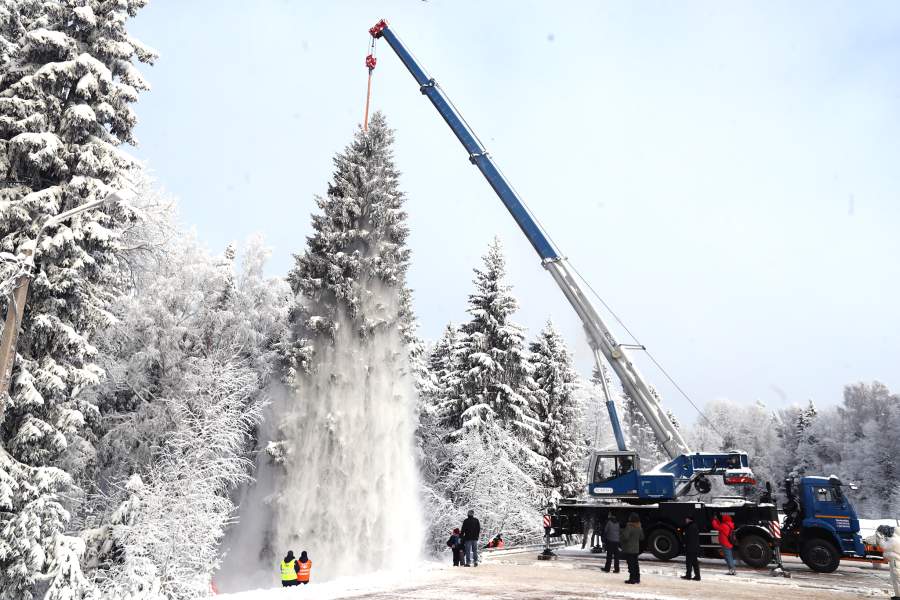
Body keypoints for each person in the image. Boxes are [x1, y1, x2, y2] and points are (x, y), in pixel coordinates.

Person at [619, 513, 644, 584]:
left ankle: (632, 579)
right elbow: (642, 537)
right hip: (636, 549)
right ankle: (637, 578)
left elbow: (625, 537)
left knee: (631, 564)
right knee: (636, 564)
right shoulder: (639, 526)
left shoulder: (629, 526)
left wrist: (621, 534)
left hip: (629, 549)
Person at [681, 515, 701, 581]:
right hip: (695, 547)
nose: (685, 520)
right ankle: (697, 576)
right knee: (695, 562)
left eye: (686, 519)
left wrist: (684, 543)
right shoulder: (694, 526)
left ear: (690, 520)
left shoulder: (690, 527)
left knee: (689, 562)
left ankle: (688, 575)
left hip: (690, 547)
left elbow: (688, 538)